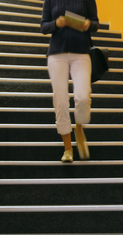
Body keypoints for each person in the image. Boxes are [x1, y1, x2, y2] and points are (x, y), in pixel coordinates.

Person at [40, 0, 99, 162]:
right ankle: (67, 149)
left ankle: (79, 129)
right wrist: (56, 23)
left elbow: (96, 23)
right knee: (60, 100)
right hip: (56, 54)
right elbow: (43, 26)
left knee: (83, 96)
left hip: (81, 53)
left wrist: (88, 24)